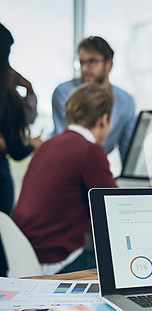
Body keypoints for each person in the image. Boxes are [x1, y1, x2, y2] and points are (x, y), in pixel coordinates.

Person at [12, 83, 117, 275]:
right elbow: (116, 211)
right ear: (103, 120)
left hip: (23, 257)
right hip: (55, 263)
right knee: (122, 268)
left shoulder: (48, 145)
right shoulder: (90, 151)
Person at [51, 36, 136, 163]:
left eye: (92, 62)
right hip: (64, 161)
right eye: (82, 62)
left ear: (109, 64)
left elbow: (128, 151)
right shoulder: (65, 93)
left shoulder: (126, 101)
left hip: (97, 162)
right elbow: (69, 141)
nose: (85, 69)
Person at [0, 23, 41, 216]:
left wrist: (29, 88)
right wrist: (32, 144)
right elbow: (15, 149)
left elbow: (28, 119)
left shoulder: (8, 95)